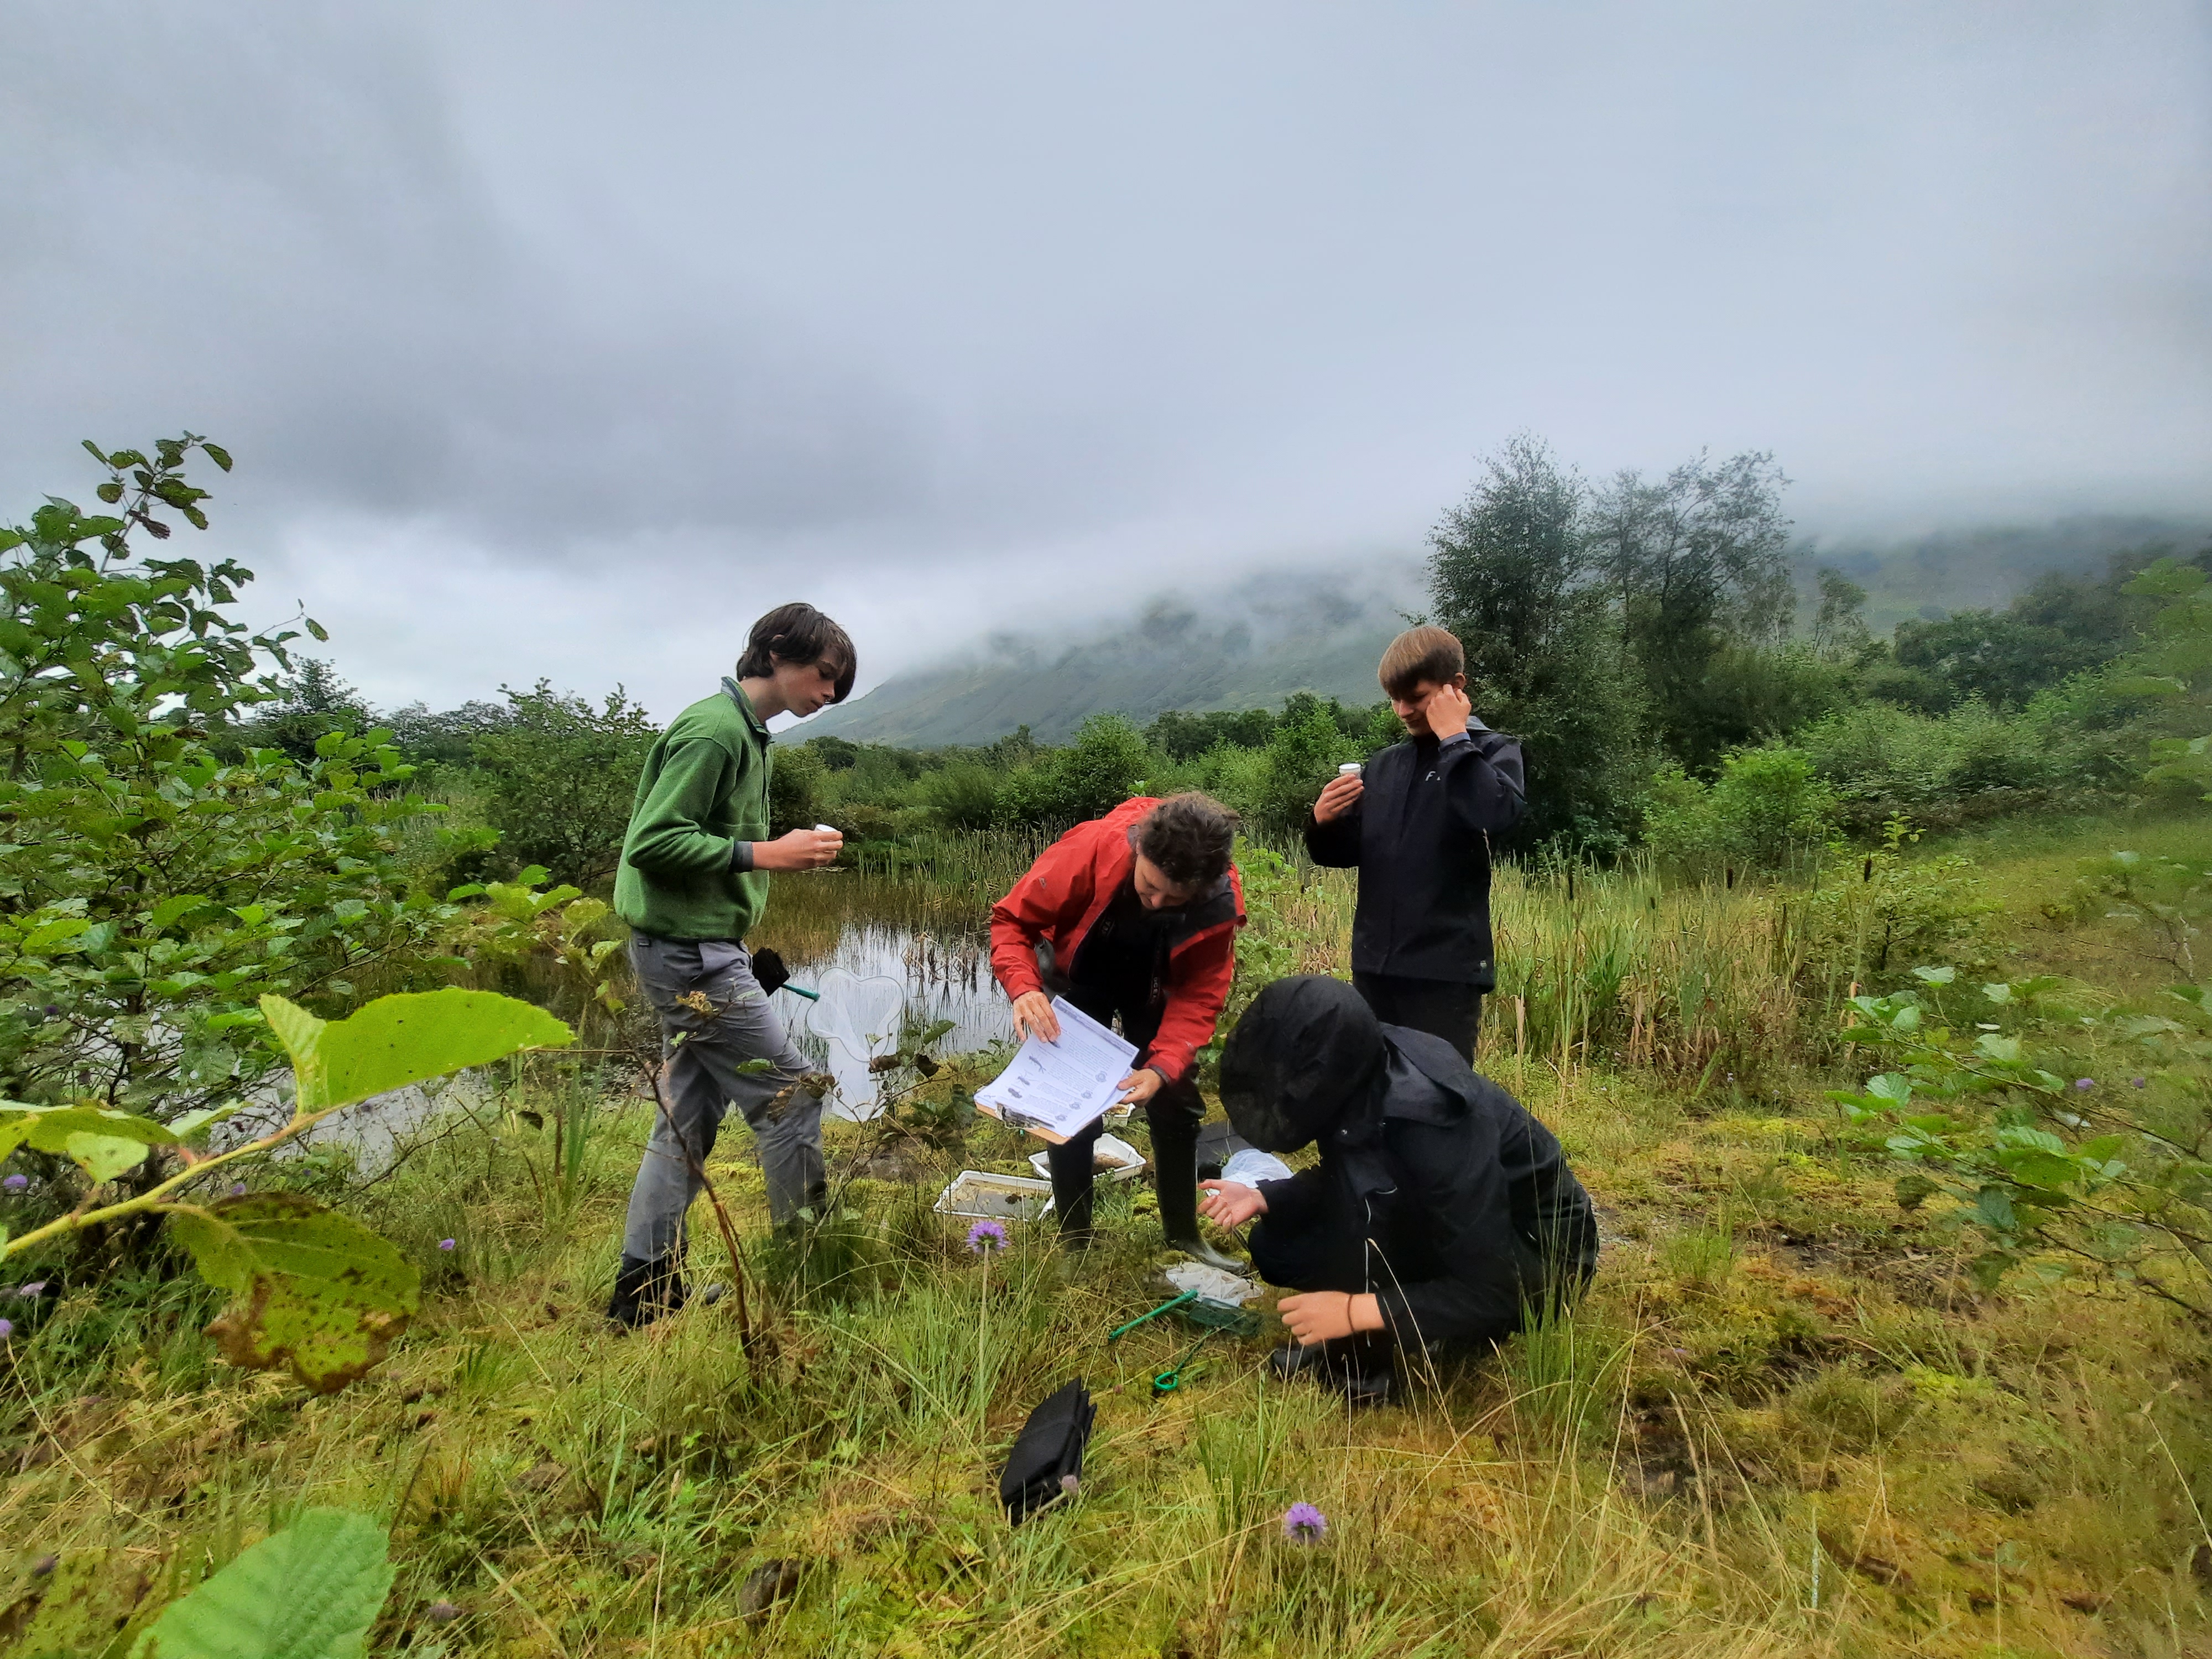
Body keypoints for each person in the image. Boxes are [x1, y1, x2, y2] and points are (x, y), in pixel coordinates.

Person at [606, 602, 854, 1328]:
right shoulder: (715, 732)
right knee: (793, 1097)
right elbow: (652, 841)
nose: (830, 692)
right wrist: (767, 853)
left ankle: (644, 1294)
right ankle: (803, 1281)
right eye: (825, 674)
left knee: (687, 1116)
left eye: (840, 683)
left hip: (699, 948)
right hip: (689, 955)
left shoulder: (747, 735)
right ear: (776, 653)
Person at [1200, 975, 1598, 1405]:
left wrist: (1356, 1312)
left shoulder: (1433, 1127)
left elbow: (1495, 1287)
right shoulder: (1356, 1066)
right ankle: (1363, 1339)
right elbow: (1352, 1173)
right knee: (1281, 1245)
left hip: (1543, 1259)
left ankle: (1369, 1372)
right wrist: (1266, 1196)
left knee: (1365, 1233)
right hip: (1455, 1220)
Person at [988, 792, 1245, 1266]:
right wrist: (1024, 987)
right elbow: (1012, 921)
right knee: (1070, 1103)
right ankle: (1076, 1244)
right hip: (1082, 975)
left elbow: (1201, 994)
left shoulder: (1218, 900)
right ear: (1140, 851)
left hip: (1156, 985)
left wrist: (1163, 1068)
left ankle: (1184, 1235)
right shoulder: (1092, 849)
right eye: (1149, 886)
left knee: (1176, 1100)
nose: (1157, 902)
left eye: (1174, 898)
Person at [1305, 625, 1524, 1063]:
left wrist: (1455, 739)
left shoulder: (1493, 751)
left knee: (1439, 1096)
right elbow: (1345, 855)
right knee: (1374, 1088)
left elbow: (1497, 814)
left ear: (1455, 688)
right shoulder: (1385, 766)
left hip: (1444, 972)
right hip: (1374, 966)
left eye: (1417, 697)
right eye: (1395, 699)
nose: (1403, 710)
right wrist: (1323, 822)